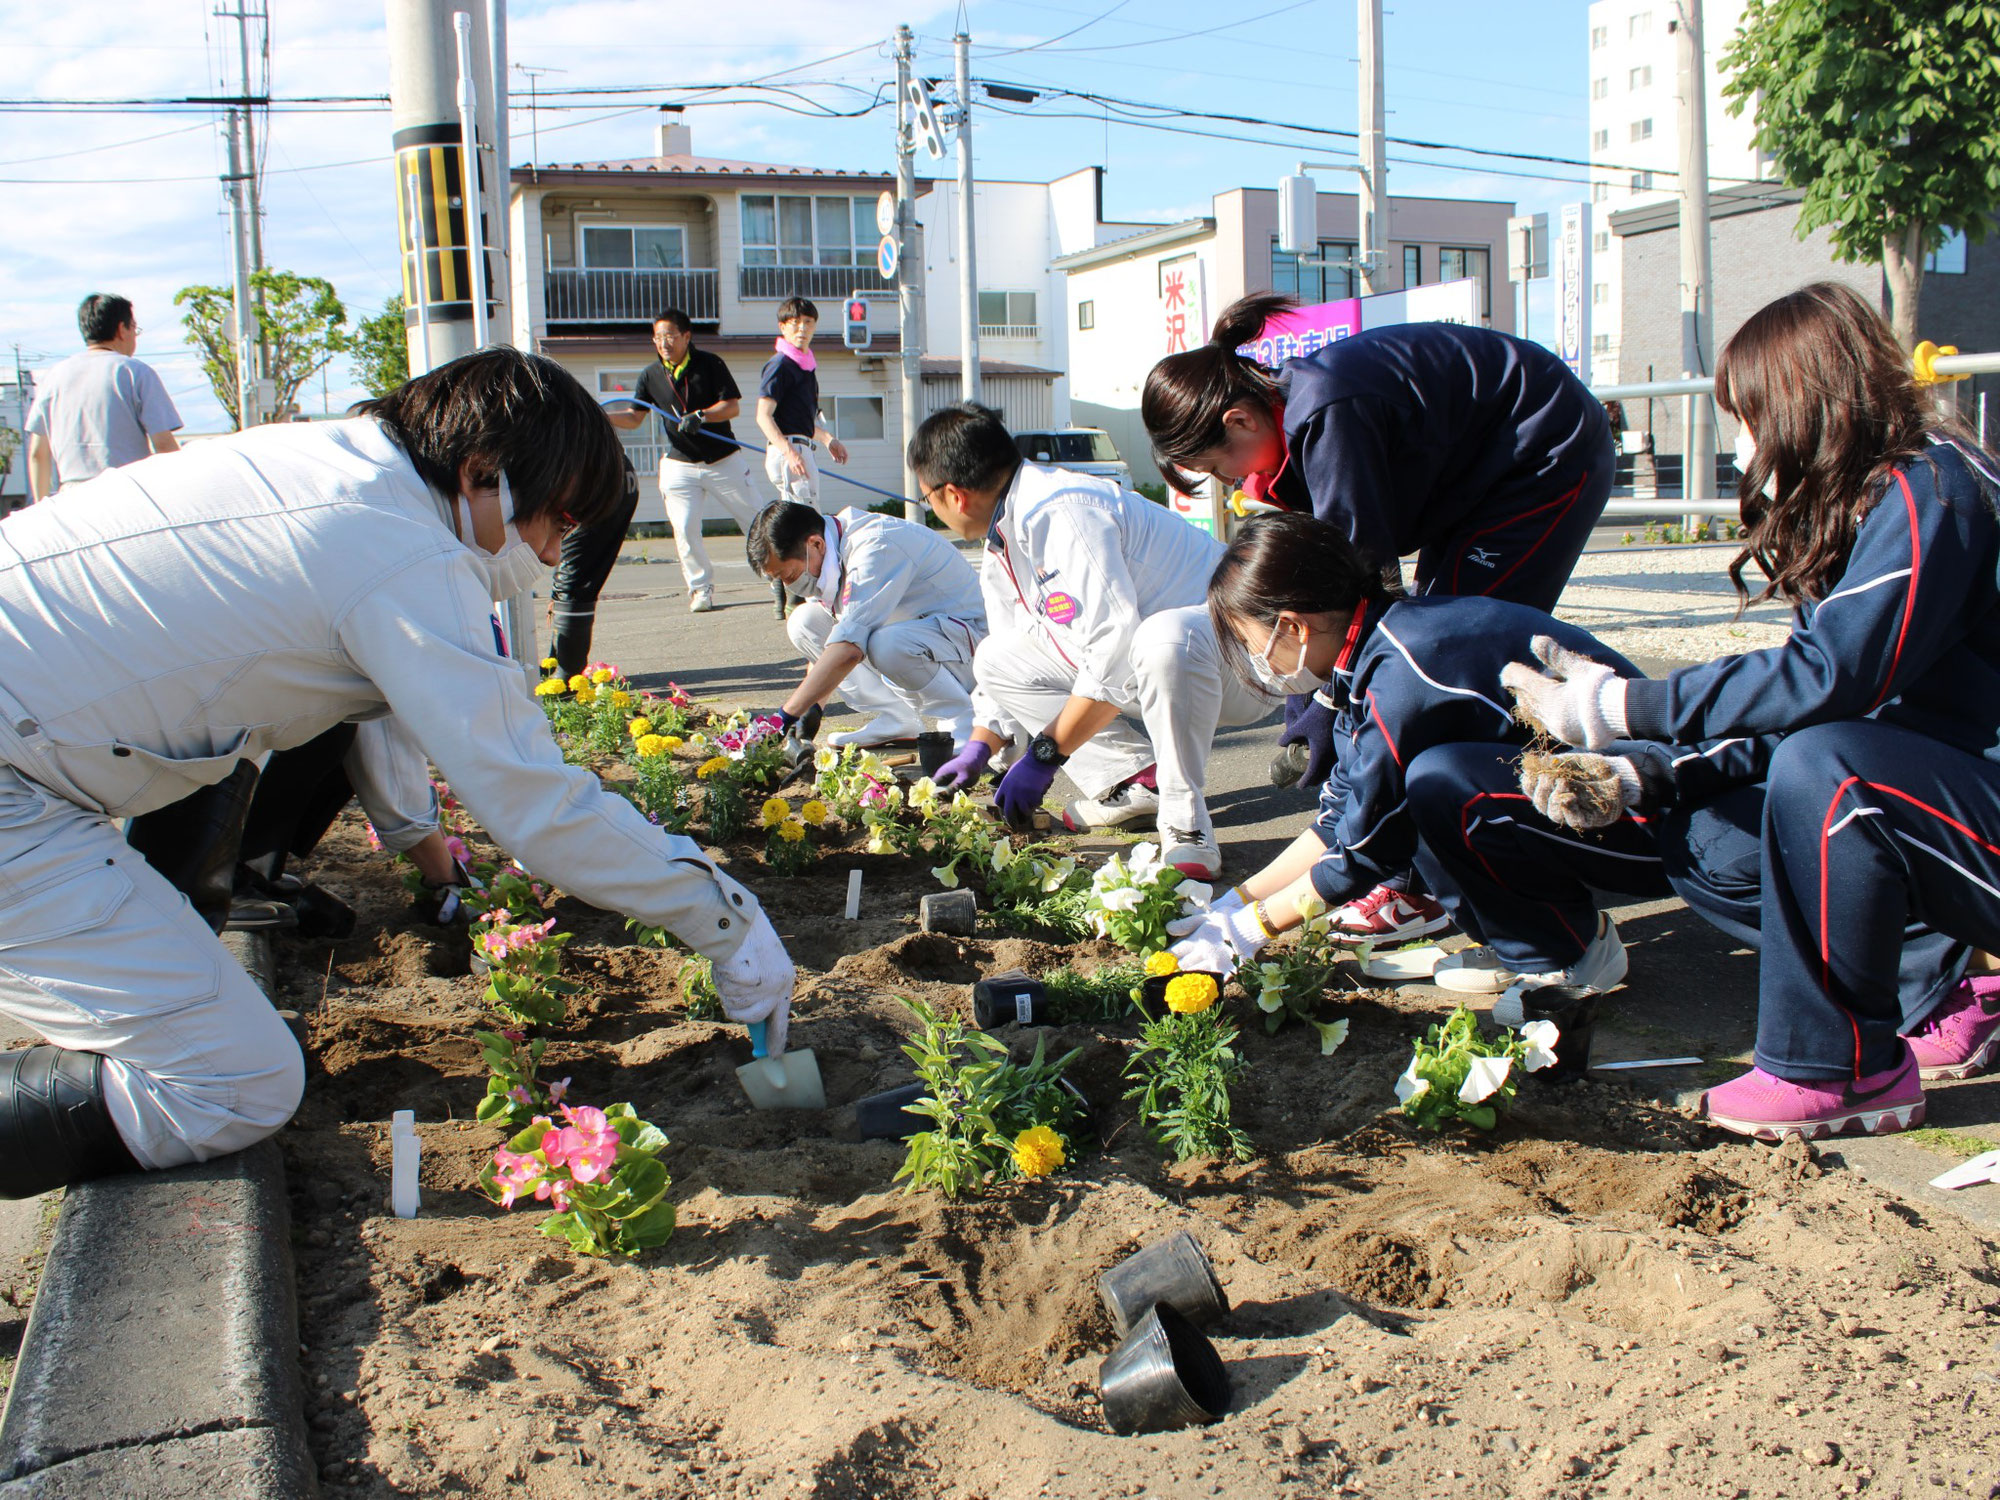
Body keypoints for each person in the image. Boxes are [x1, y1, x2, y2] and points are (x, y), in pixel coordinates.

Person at [0, 347, 798, 1197]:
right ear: (483, 471)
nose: (551, 550)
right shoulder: (402, 549)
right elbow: (534, 801)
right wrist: (723, 915)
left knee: (202, 984)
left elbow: (373, 726)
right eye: (557, 521)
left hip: (40, 742)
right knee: (237, 1083)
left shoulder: (339, 472)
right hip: (18, 780)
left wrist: (424, 845)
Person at [1503, 282, 2000, 1141]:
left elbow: (1828, 680)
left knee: (1833, 773)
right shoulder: (1870, 506)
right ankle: (1938, 989)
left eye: (1746, 416)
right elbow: (1799, 708)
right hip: (1953, 804)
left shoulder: (1936, 493)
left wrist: (1623, 703)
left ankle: (1842, 1066)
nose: (1740, 444)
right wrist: (1646, 771)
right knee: (1713, 844)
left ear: (1806, 406)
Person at [1140, 294, 1614, 942]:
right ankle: (1465, 845)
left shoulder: (1330, 412)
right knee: (1409, 668)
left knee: (1452, 663)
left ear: (1240, 418)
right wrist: (1330, 712)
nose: (1226, 483)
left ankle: (1447, 880)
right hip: (1474, 483)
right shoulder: (1295, 420)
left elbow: (1355, 578)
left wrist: (1328, 713)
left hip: (1541, 457)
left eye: (1217, 466)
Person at [1165, 512, 1657, 994]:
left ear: (1293, 627)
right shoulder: (1370, 649)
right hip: (1588, 801)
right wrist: (1238, 901)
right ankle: (1520, 941)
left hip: (1638, 809)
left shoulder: (1405, 675)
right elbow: (1343, 812)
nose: (1258, 661)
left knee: (1433, 787)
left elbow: (1367, 849)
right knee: (1414, 789)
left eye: (1252, 645)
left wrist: (1251, 929)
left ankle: (1570, 953)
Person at [909, 402, 1271, 879]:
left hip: (1240, 665)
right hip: (1164, 668)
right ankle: (1137, 780)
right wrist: (979, 747)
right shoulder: (1004, 538)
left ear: (953, 495)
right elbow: (1010, 650)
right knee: (996, 659)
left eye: (927, 499)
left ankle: (1185, 821)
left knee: (1158, 639)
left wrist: (1044, 755)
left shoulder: (1061, 512)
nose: (931, 509)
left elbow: (1115, 652)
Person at [747, 500, 986, 748]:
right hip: (929, 639)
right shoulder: (826, 552)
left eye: (789, 576)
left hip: (972, 649)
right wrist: (814, 707)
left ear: (815, 543)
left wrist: (784, 717)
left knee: (887, 645)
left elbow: (848, 648)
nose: (789, 587)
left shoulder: (875, 546)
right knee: (804, 622)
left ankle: (963, 721)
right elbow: (836, 635)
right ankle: (897, 719)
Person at [607, 310, 766, 615]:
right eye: (658, 337)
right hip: (679, 464)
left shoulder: (710, 363)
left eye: (670, 336)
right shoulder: (651, 374)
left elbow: (731, 406)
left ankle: (779, 577)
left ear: (686, 336)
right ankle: (700, 587)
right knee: (684, 528)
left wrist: (703, 415)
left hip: (722, 459)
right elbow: (634, 417)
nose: (663, 343)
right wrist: (600, 415)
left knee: (755, 520)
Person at [25, 293, 182, 500]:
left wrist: (41, 505)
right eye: (134, 328)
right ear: (121, 329)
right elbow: (163, 445)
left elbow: (38, 453)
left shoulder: (54, 376)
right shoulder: (134, 372)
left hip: (71, 497)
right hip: (127, 492)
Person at [756, 297, 848, 616]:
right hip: (789, 452)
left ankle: (794, 592)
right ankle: (797, 593)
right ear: (783, 327)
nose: (802, 328)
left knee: (805, 520)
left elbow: (806, 419)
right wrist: (788, 451)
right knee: (804, 523)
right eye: (795, 322)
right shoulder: (781, 364)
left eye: (808, 322)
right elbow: (763, 416)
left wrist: (827, 439)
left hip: (802, 448)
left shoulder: (806, 365)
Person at [547, 453, 642, 679]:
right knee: (574, 580)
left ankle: (568, 675)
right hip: (610, 474)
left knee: (572, 583)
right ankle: (557, 663)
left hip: (591, 481)